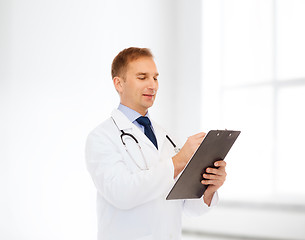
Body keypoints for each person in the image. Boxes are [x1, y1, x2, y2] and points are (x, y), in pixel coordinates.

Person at [85, 47, 227, 240]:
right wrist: (178, 162)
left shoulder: (167, 137)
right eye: (142, 77)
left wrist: (209, 189)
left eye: (155, 78)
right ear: (119, 84)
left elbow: (189, 208)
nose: (152, 85)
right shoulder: (101, 137)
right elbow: (121, 194)